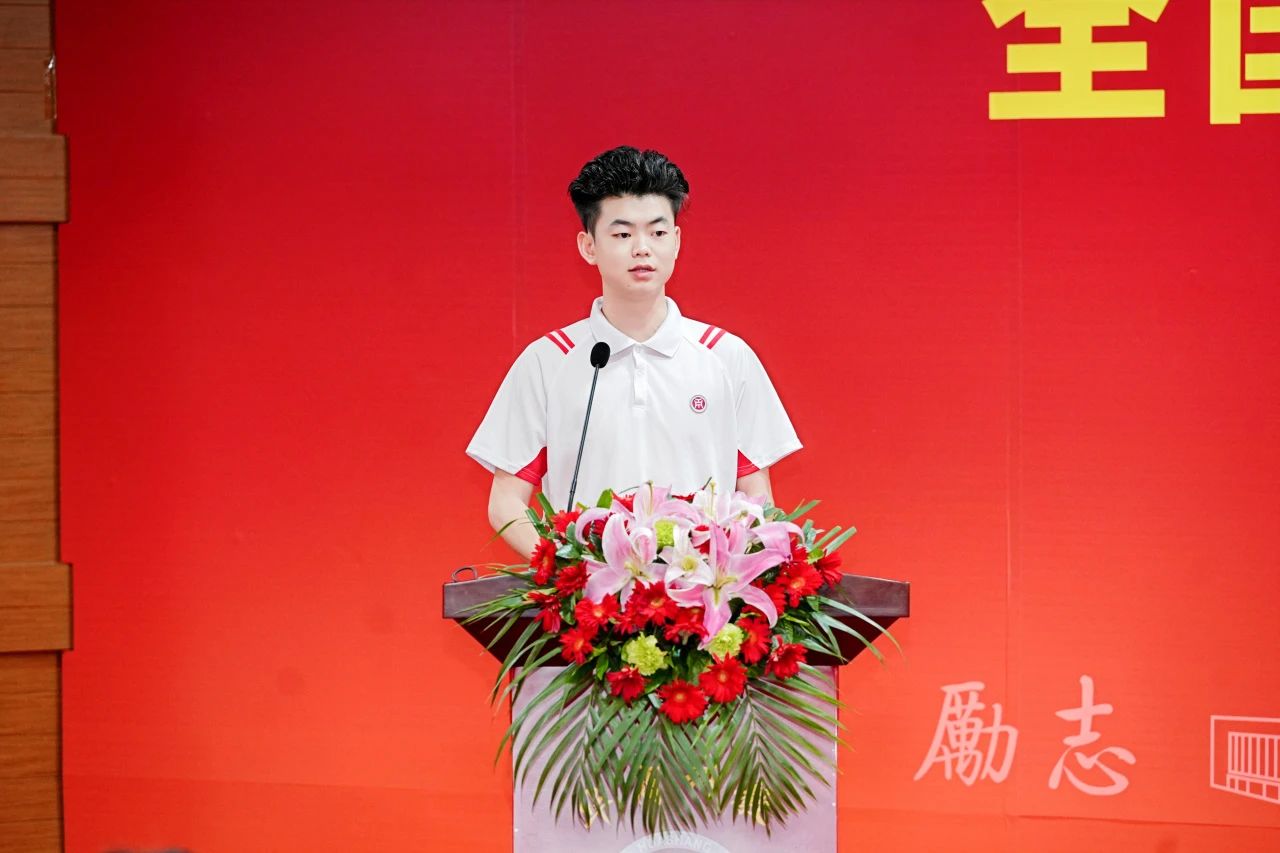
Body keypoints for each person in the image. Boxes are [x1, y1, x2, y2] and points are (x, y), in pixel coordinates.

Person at [467, 146, 801, 558]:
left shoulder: (726, 356)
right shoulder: (548, 361)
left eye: (657, 233)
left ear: (676, 242)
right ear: (589, 246)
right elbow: (505, 502)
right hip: (591, 590)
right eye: (622, 234)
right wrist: (565, 572)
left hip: (699, 586)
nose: (642, 248)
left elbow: (755, 494)